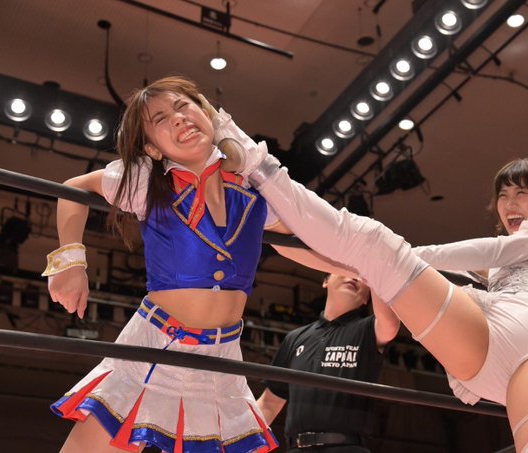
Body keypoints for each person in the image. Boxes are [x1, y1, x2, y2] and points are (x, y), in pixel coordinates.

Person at [221, 140, 528, 452]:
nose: (508, 203)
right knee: (371, 248)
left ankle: (266, 189)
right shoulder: (497, 268)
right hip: (490, 338)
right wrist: (377, 259)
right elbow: (377, 264)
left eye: (521, 192)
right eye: (503, 195)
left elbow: (498, 250)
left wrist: (404, 255)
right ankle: (262, 192)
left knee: (378, 250)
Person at [42, 76, 335, 453]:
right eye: (161, 118)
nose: (178, 118)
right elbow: (76, 187)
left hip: (222, 357)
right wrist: (70, 262)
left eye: (183, 106)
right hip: (156, 343)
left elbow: (293, 244)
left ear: (207, 115)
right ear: (152, 148)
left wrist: (359, 269)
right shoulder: (147, 181)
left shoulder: (253, 188)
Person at [256, 273, 399, 452]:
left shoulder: (368, 329)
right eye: (345, 270)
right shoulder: (295, 338)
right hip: (297, 448)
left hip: (346, 448)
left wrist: (373, 271)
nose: (354, 277)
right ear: (326, 281)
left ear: (367, 297)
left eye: (362, 276)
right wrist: (236, 443)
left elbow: (390, 325)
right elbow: (269, 403)